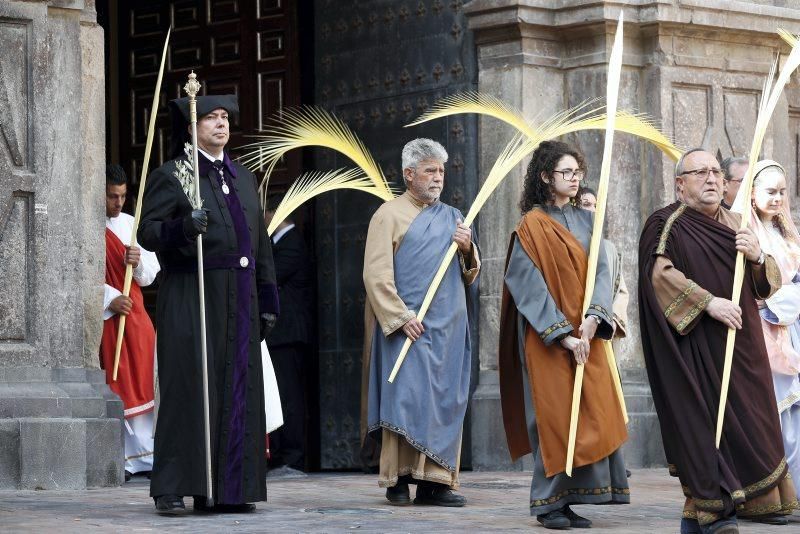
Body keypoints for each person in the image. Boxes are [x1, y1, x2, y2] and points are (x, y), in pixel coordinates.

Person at [638, 148, 797, 533]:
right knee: (702, 427)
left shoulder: (739, 224)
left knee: (750, 428)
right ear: (680, 184)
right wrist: (708, 303)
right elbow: (659, 276)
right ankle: (714, 512)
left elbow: (766, 285)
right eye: (700, 172)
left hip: (741, 350)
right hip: (693, 350)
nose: (711, 179)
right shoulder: (666, 224)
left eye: (716, 173)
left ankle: (703, 517)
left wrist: (758, 257)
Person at [138, 95, 279, 515]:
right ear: (191, 127)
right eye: (211, 118)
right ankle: (171, 487)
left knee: (236, 389)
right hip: (192, 295)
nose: (221, 125)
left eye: (224, 118)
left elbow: (260, 243)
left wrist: (268, 298)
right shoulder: (174, 175)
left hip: (240, 298)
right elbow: (147, 232)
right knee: (189, 388)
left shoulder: (243, 177)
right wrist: (183, 227)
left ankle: (229, 488)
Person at [498, 141, 629, 530]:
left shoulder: (591, 221)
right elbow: (526, 284)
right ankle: (548, 502)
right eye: (566, 173)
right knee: (555, 418)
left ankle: (571, 499)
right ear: (545, 177)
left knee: (593, 413)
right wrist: (563, 335)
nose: (575, 179)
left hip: (589, 335)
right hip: (549, 339)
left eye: (578, 172)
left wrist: (592, 320)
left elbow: (603, 273)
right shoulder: (531, 226)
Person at [364, 138, 480, 507]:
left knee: (442, 402)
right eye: (430, 170)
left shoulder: (453, 217)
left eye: (441, 171)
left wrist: (467, 248)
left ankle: (436, 483)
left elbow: (470, 274)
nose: (438, 178)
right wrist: (400, 317)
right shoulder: (388, 215)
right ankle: (397, 479)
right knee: (405, 399)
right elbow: (376, 274)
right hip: (407, 327)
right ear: (409, 173)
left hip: (446, 329)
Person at [740, 160, 800, 500]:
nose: (777, 198)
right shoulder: (746, 232)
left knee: (793, 415)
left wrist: (783, 304)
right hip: (759, 330)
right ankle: (771, 491)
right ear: (752, 194)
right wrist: (767, 303)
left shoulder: (786, 234)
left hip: (788, 328)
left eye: (781, 192)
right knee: (769, 412)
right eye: (770, 191)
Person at [100, 164, 160, 480]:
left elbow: (150, 275)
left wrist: (136, 264)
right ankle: (123, 457)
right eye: (112, 196)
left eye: (123, 196)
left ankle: (146, 457)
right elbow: (75, 277)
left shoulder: (132, 225)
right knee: (118, 382)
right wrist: (108, 298)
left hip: (136, 317)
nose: (118, 202)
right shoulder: (88, 226)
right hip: (109, 319)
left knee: (143, 381)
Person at [264, 195, 313, 476]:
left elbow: (272, 276)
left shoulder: (292, 243)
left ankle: (293, 456)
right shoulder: (280, 243)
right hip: (278, 336)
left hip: (288, 335)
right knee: (280, 395)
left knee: (289, 397)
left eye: (266, 213)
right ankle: (280, 453)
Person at [577, 187, 629, 337]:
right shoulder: (567, 244)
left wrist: (611, 320)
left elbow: (621, 291)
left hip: (602, 326)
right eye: (586, 204)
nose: (593, 210)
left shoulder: (608, 248)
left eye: (596, 205)